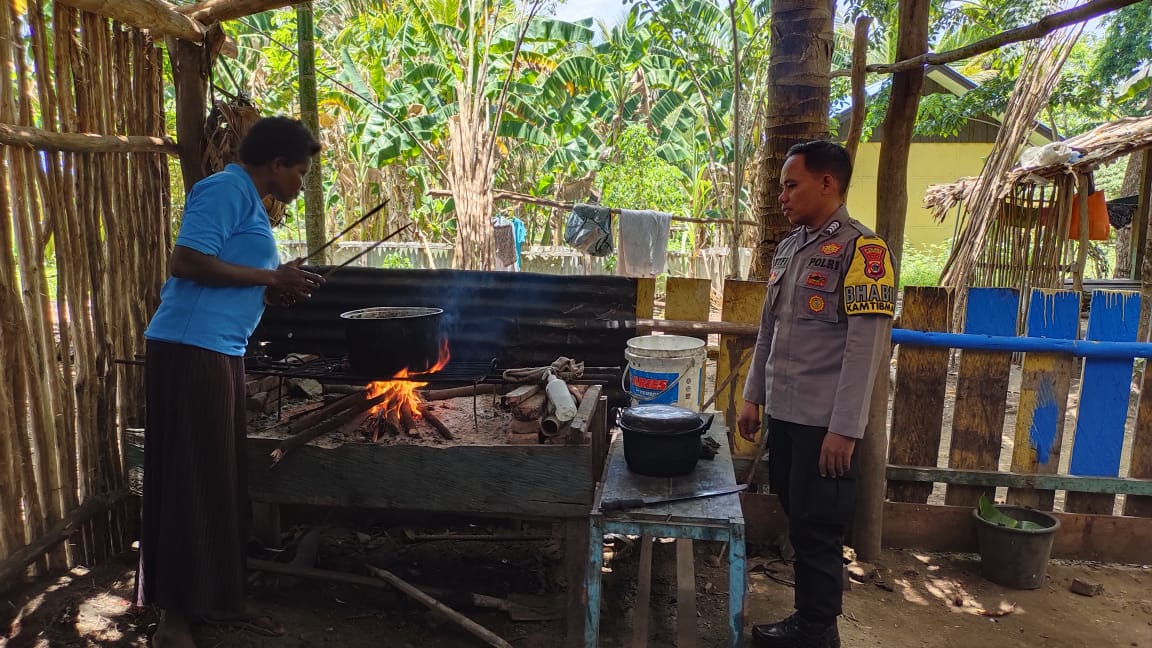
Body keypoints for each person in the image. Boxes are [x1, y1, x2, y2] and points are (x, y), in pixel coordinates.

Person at [135, 116, 324, 648]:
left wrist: (270, 289)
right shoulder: (224, 189)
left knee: (215, 477)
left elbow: (224, 272)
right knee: (190, 478)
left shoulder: (250, 202)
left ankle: (213, 602)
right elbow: (186, 261)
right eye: (301, 172)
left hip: (217, 349)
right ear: (277, 164)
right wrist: (271, 276)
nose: (301, 183)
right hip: (190, 348)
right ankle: (173, 622)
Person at [738, 140, 894, 648]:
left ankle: (818, 633)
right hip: (785, 416)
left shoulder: (864, 251)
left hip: (825, 428)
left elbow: (864, 348)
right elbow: (769, 331)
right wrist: (752, 395)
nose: (781, 195)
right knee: (800, 523)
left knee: (820, 529)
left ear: (827, 183)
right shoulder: (788, 249)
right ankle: (807, 624)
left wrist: (845, 430)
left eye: (791, 184)